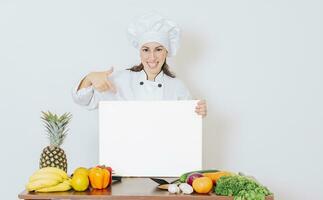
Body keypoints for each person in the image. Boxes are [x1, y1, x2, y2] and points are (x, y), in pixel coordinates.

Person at [72, 13, 207, 117]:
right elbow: (83, 100)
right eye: (146, 50)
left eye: (158, 49)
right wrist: (89, 78)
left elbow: (188, 120)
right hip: (127, 150)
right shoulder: (121, 80)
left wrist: (200, 111)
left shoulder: (177, 86)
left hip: (163, 151)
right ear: (140, 52)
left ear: (167, 52)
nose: (152, 57)